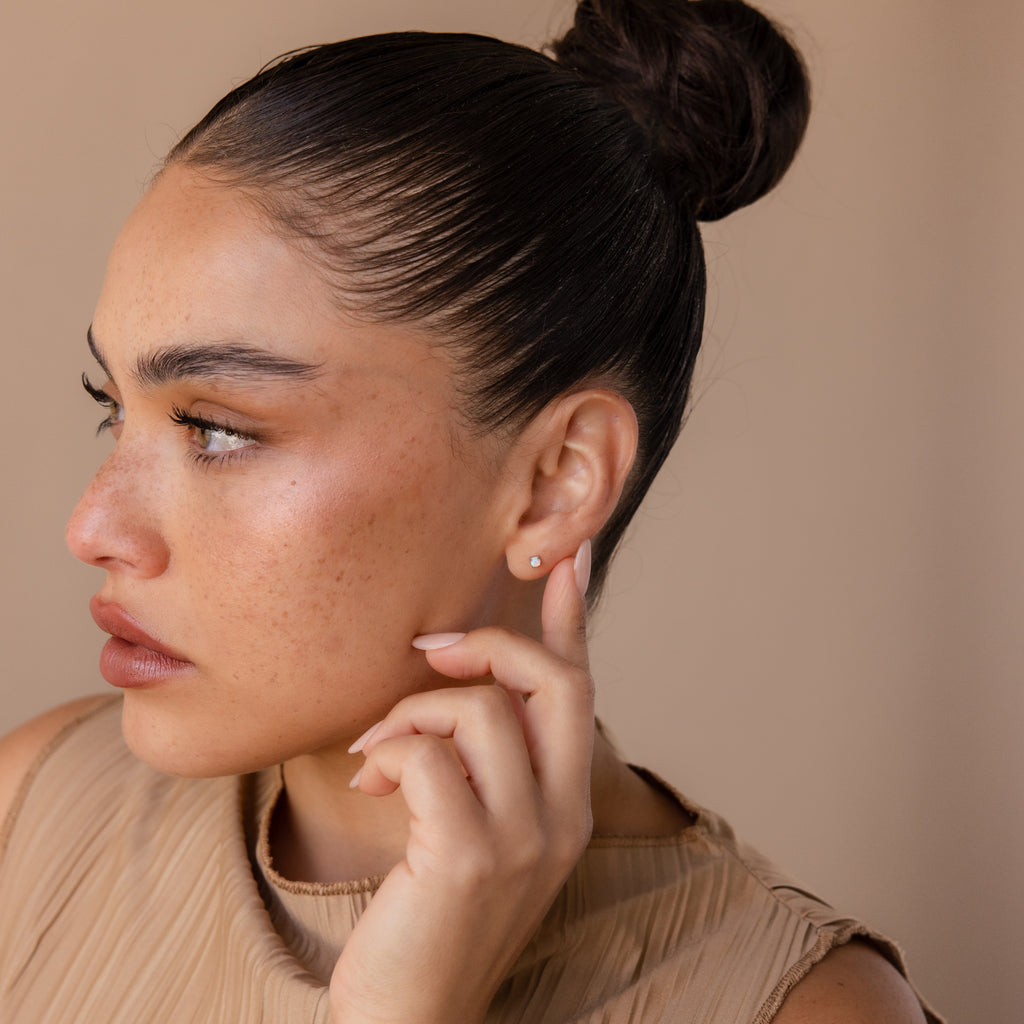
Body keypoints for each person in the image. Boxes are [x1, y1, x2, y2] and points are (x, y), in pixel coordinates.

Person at [0, 1, 942, 1021]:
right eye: (115, 408)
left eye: (218, 428)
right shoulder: (34, 804)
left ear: (554, 483)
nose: (94, 527)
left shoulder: (799, 1008)